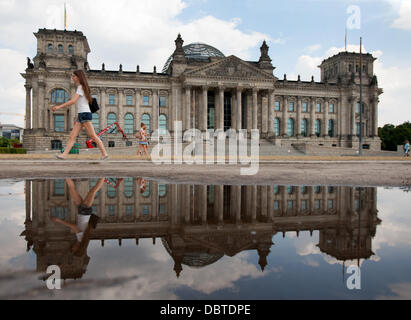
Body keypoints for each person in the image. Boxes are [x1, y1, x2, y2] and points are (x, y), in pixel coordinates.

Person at [52, 70, 108, 160]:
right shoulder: (82, 87)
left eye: (74, 76)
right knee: (72, 136)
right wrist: (78, 116)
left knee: (93, 136)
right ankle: (64, 155)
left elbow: (73, 101)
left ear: (78, 77)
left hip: (85, 114)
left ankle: (104, 153)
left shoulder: (80, 87)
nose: (72, 77)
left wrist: (59, 107)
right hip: (82, 114)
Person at [51, 178, 104, 256]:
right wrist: (59, 221)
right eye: (74, 250)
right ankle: (103, 176)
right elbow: (73, 226)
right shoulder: (80, 239)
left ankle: (66, 174)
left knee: (75, 189)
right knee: (92, 191)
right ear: (78, 249)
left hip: (82, 212)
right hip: (85, 211)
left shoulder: (83, 239)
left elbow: (81, 222)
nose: (72, 248)